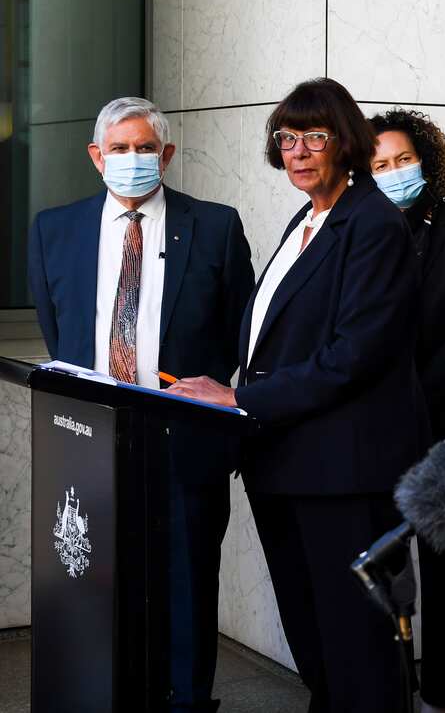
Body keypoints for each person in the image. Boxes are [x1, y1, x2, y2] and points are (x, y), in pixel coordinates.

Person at [168, 78, 429, 713]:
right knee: (314, 638)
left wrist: (238, 399)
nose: (298, 150)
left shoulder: (373, 223)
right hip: (286, 460)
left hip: (344, 470)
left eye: (315, 136)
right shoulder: (308, 218)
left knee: (358, 647)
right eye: (287, 138)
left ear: (346, 142)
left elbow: (351, 357)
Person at [28, 96, 255, 712]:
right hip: (87, 436)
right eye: (119, 148)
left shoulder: (214, 225)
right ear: (96, 157)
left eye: (145, 148)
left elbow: (239, 329)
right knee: (89, 578)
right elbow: (61, 329)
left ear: (168, 155)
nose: (133, 159)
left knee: (185, 585)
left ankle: (186, 703)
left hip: (184, 439)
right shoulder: (56, 228)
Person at [368, 108, 445, 713]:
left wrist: (407, 401)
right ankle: (386, 689)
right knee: (382, 567)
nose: (393, 173)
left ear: (427, 160)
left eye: (402, 159)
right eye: (379, 165)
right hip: (371, 427)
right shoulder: (357, 235)